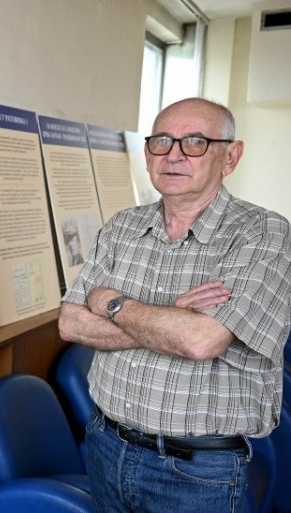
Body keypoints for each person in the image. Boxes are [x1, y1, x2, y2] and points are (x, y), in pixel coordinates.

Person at [59, 97, 291, 513]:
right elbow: (71, 324)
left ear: (231, 157)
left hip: (197, 472)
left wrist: (110, 302)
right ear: (148, 153)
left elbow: (201, 341)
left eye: (195, 142)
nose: (174, 155)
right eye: (161, 141)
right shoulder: (122, 227)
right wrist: (171, 318)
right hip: (106, 445)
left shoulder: (263, 232)